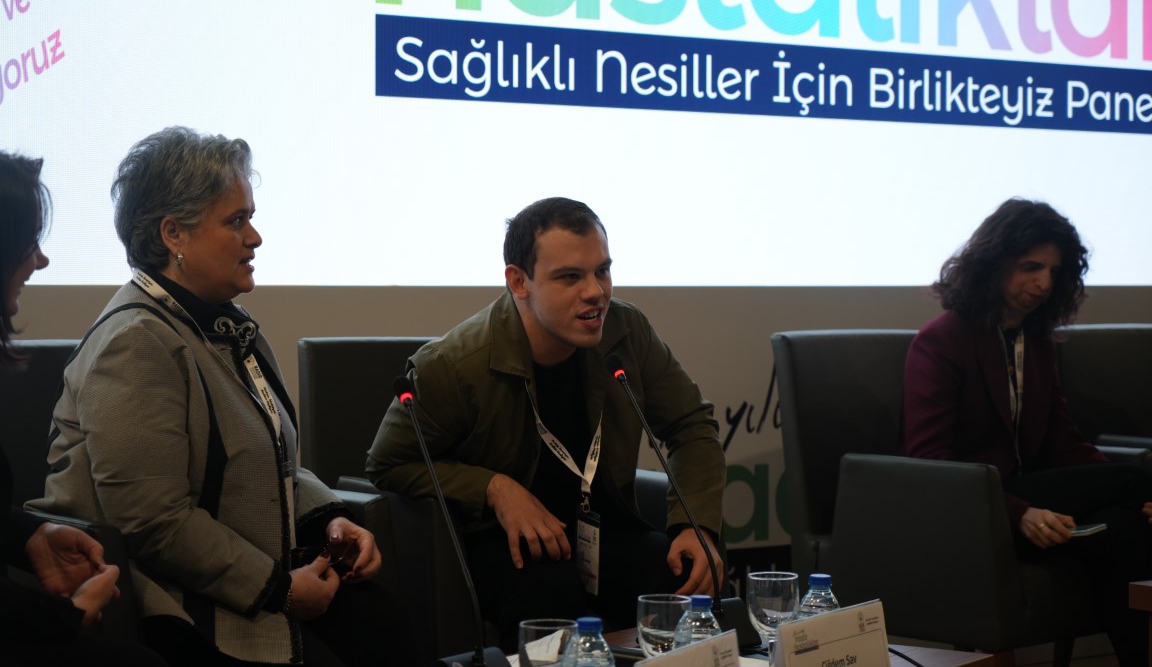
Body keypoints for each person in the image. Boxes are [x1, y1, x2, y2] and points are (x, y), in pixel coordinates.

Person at [28, 128, 414, 667]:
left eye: (250, 218)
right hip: (185, 609)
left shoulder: (227, 325)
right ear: (173, 234)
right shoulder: (135, 342)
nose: (255, 238)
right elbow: (155, 523)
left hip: (255, 577)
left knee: (388, 627)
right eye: (236, 221)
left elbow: (266, 459)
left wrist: (327, 522)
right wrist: (281, 589)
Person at [366, 197, 726, 648]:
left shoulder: (626, 331)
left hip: (600, 534)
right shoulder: (452, 365)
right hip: (504, 546)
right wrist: (494, 488)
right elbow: (388, 464)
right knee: (551, 592)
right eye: (570, 277)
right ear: (519, 281)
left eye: (602, 271)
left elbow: (691, 425)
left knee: (681, 573)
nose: (596, 292)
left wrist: (695, 526)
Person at [902, 197, 1152, 666]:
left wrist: (1130, 495)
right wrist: (1018, 512)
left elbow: (1063, 441)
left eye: (1054, 271)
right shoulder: (941, 340)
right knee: (1134, 482)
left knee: (1125, 523)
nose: (1043, 283)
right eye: (1030, 267)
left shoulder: (1035, 340)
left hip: (1026, 490)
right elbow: (929, 462)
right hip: (972, 508)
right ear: (993, 265)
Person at [1, 151, 168, 666]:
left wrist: (29, 535)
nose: (41, 261)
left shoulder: (240, 334)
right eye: (29, 243)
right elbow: (155, 516)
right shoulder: (133, 340)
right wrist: (66, 617)